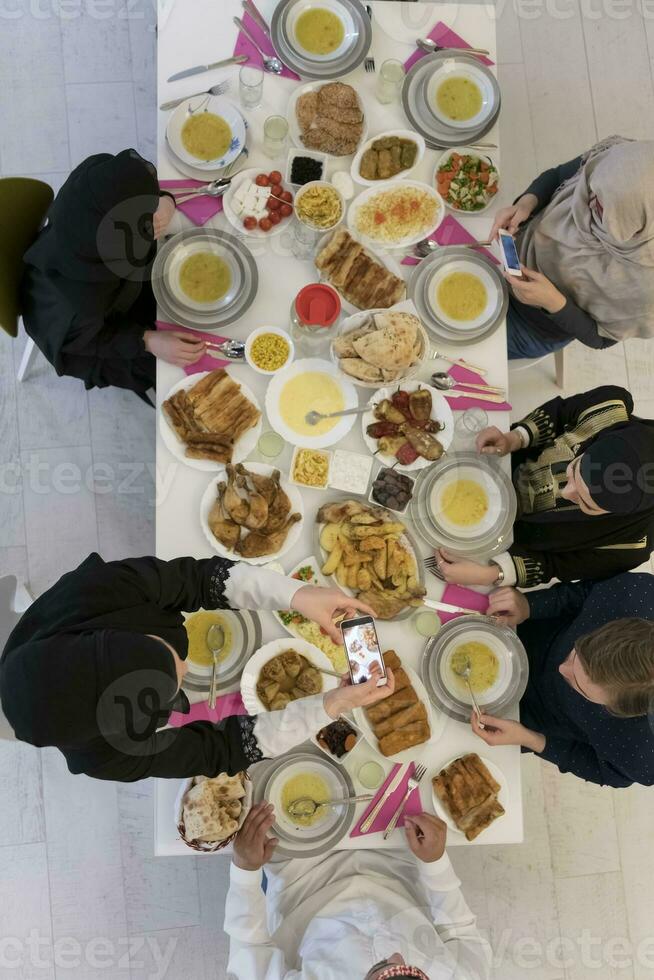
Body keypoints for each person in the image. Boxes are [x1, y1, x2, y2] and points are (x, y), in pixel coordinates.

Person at [0, 553, 393, 782]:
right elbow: (221, 749)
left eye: (167, 655)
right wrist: (329, 706)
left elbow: (197, 581)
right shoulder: (107, 756)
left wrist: (296, 594)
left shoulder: (94, 592)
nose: (187, 668)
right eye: (172, 685)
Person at [20, 149, 206, 400]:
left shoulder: (91, 185)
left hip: (100, 286)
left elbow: (127, 184)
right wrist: (149, 341)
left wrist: (163, 202)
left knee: (182, 297)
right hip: (84, 339)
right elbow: (94, 340)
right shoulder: (80, 305)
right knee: (172, 371)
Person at [224, 804, 491, 979]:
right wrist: (435, 864)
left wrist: (246, 871)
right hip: (397, 852)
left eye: (382, 966)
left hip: (302, 870)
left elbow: (248, 950)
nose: (398, 954)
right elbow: (461, 933)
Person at [434, 385, 654, 589]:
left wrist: (489, 574)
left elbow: (557, 564)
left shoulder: (631, 545)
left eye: (585, 502)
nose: (565, 492)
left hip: (511, 541)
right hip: (501, 465)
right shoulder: (606, 409)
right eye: (573, 470)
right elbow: (559, 415)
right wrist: (513, 439)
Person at [471, 573, 654, 788]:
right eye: (577, 653)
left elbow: (605, 771)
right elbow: (582, 594)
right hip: (525, 633)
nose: (561, 669)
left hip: (530, 721)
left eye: (579, 685)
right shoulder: (637, 594)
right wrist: (529, 606)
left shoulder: (643, 754)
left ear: (615, 709)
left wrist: (530, 739)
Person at [489, 136, 654, 359]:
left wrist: (553, 302)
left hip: (534, 325)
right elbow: (558, 176)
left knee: (452, 345)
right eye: (592, 187)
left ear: (639, 227)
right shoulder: (619, 158)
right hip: (507, 249)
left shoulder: (647, 292)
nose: (587, 200)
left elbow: (601, 339)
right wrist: (526, 203)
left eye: (603, 209)